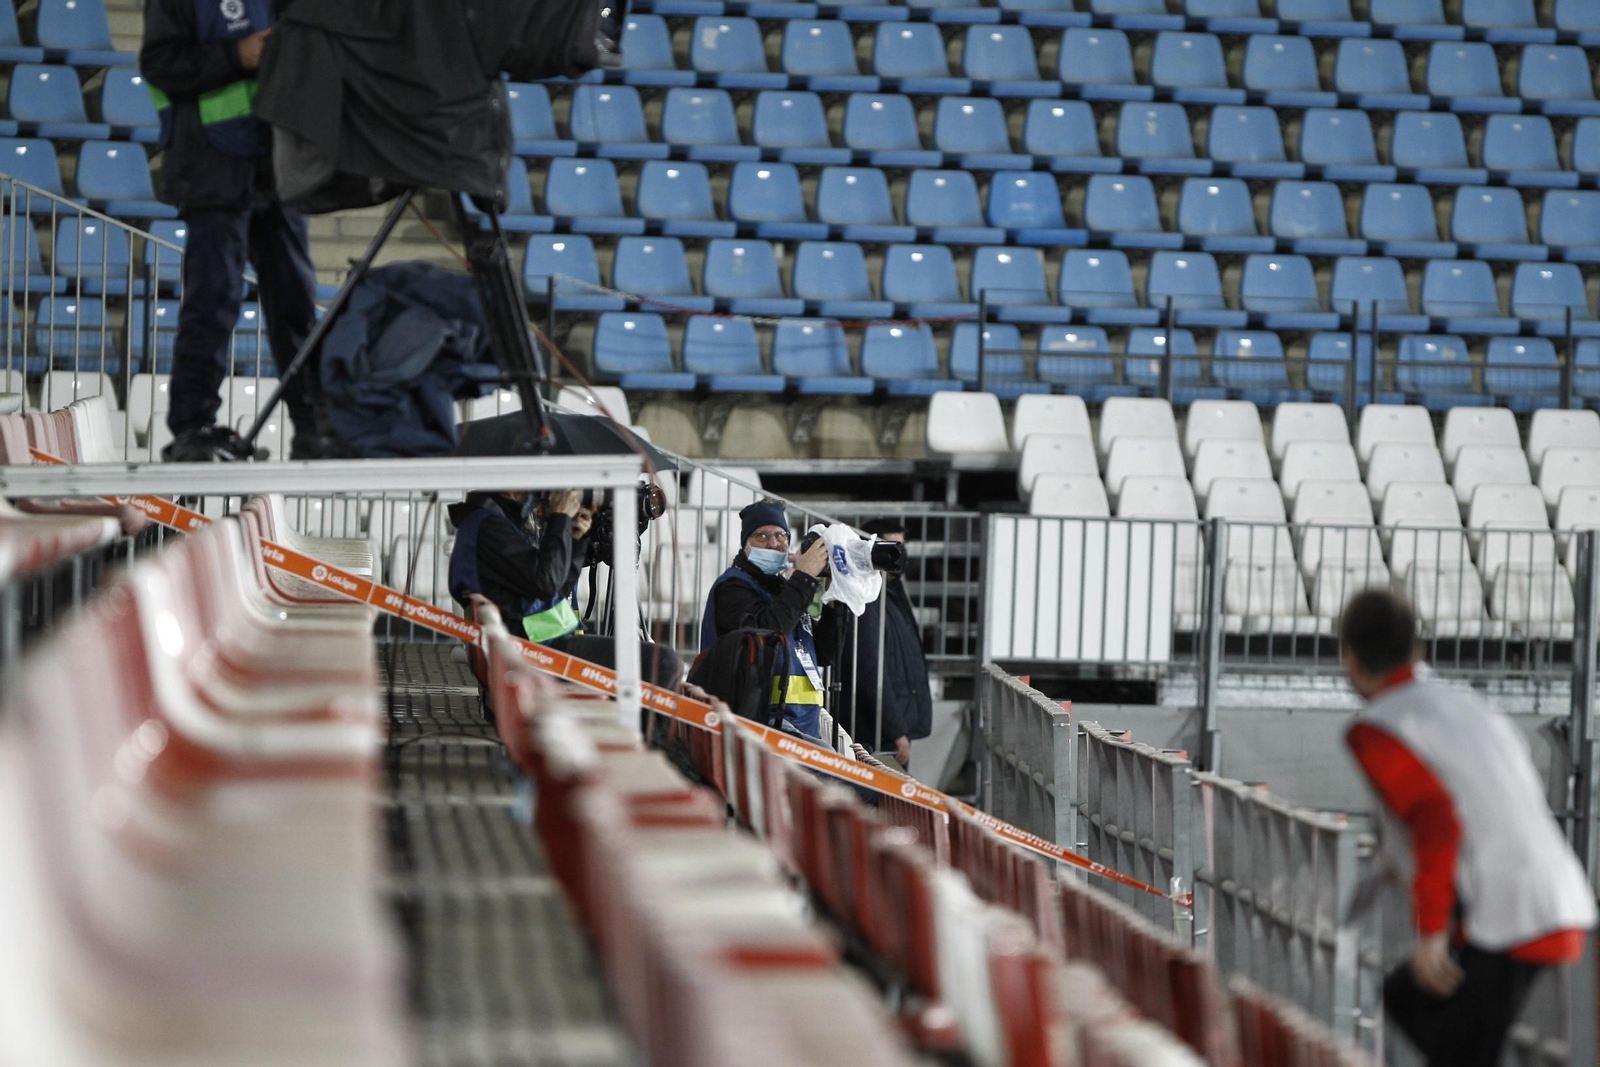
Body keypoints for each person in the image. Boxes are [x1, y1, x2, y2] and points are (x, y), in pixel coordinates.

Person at [1338, 590, 1595, 1067]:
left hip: (1505, 914)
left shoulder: (1377, 728)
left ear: (1350, 657)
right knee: (1417, 1006)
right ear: (1418, 648)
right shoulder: (1464, 704)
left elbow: (1436, 821)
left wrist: (1430, 932)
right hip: (1550, 894)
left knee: (1437, 1026)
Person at [140, 0, 328, 461]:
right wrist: (237, 56)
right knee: (213, 299)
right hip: (212, 165)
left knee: (296, 303)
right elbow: (159, 64)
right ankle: (192, 429)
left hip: (278, 161)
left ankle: (315, 430)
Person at [448, 488, 680, 687]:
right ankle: (647, 738)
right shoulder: (490, 528)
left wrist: (577, 539)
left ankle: (637, 732)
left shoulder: (491, 524)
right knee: (664, 661)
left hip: (534, 648)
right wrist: (559, 519)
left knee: (660, 660)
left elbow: (557, 588)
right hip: (539, 654)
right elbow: (547, 583)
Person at [701, 500, 842, 739]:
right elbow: (770, 631)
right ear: (745, 543)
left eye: (781, 535)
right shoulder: (733, 588)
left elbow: (826, 653)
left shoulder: (781, 589)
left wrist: (835, 598)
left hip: (801, 726)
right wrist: (805, 576)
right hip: (758, 725)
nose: (773, 543)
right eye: (762, 536)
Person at [842, 518, 932, 770]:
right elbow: (870, 667)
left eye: (902, 548)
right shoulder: (869, 598)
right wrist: (895, 729)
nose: (898, 555)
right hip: (876, 732)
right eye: (892, 547)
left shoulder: (892, 592)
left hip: (890, 726)